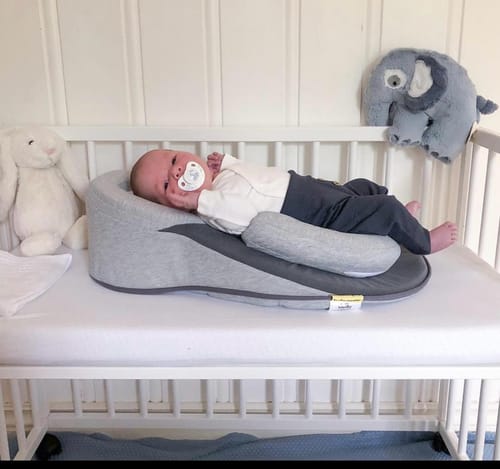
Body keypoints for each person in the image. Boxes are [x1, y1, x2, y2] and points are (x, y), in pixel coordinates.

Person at [129, 148, 457, 255]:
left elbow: (253, 175)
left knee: (362, 187)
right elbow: (245, 217)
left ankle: (401, 223)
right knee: (384, 209)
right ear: (171, 203)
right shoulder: (214, 205)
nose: (178, 172)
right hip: (312, 213)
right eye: (166, 183)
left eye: (174, 160)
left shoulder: (222, 177)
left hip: (309, 188)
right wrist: (198, 201)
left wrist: (227, 161)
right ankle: (423, 240)